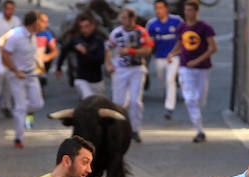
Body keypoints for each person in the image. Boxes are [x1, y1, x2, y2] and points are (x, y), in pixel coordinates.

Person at [168, 1, 216, 143]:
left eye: (190, 10)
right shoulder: (181, 27)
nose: (188, 13)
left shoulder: (205, 27)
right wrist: (172, 54)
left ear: (197, 11)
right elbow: (180, 44)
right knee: (189, 98)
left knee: (200, 98)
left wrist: (197, 61)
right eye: (186, 10)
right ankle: (199, 130)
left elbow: (213, 47)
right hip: (185, 67)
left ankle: (197, 118)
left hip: (202, 68)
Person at [106, 8, 153, 143]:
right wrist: (108, 64)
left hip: (137, 69)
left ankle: (135, 130)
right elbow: (108, 48)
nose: (122, 20)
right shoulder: (116, 32)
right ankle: (117, 129)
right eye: (121, 18)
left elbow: (148, 50)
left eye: (125, 18)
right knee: (119, 102)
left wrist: (131, 51)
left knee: (135, 101)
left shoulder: (141, 32)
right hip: (120, 69)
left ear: (133, 19)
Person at [1, 11, 44, 149]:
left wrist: (39, 64)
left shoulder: (33, 35)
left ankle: (22, 111)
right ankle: (18, 138)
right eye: (40, 21)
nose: (42, 24)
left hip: (31, 74)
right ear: (34, 23)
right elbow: (5, 54)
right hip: (17, 76)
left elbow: (32, 53)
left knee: (37, 104)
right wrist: (15, 70)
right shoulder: (16, 36)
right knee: (20, 107)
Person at [145, 0, 182, 119]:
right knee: (163, 82)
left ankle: (169, 108)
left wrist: (176, 52)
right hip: (159, 57)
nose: (158, 11)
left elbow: (184, 36)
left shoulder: (176, 21)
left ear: (166, 8)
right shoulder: (152, 24)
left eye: (160, 8)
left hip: (174, 57)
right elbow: (147, 41)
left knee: (170, 79)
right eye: (156, 8)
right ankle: (169, 92)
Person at [56, 13, 107, 99]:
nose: (84, 29)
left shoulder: (98, 41)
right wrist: (58, 68)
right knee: (88, 99)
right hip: (81, 78)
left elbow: (100, 60)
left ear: (92, 26)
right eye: (81, 27)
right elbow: (64, 51)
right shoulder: (75, 39)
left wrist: (86, 53)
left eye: (86, 26)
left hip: (97, 81)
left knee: (98, 105)